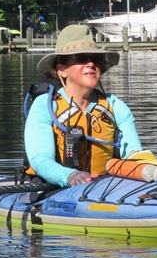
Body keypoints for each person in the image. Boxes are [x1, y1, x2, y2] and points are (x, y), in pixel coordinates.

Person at [23, 24, 143, 187]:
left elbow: (134, 155)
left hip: (105, 189)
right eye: (81, 58)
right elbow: (40, 159)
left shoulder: (116, 107)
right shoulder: (45, 106)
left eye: (96, 59)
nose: (91, 64)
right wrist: (70, 175)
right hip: (54, 189)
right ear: (61, 69)